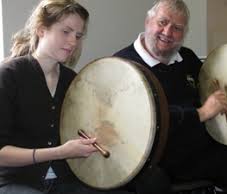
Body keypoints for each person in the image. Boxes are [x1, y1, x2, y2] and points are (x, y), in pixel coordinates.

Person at [114, 0, 227, 194]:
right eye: (162, 22)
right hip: (155, 157)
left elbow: (207, 93)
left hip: (198, 148)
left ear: (184, 33)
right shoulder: (122, 66)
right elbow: (140, 120)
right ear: (148, 21)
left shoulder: (187, 58)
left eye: (177, 28)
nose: (167, 32)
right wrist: (200, 113)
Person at [0, 1, 133, 194]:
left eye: (78, 36)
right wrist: (60, 152)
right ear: (41, 30)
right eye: (66, 32)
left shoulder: (73, 81)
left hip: (65, 181)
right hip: (17, 182)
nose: (73, 42)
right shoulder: (9, 75)